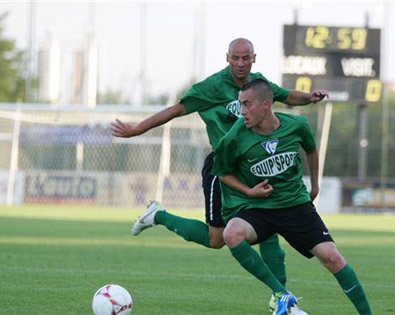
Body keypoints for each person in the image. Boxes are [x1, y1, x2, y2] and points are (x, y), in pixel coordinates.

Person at [111, 38, 328, 313]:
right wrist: (137, 129)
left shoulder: (259, 84)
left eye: (245, 58)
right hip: (222, 169)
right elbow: (176, 110)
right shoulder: (211, 87)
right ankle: (159, 215)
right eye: (235, 58)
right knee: (217, 240)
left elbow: (286, 95)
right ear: (227, 58)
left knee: (269, 229)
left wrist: (309, 98)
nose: (240, 63)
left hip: (253, 165)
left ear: (254, 59)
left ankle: (281, 297)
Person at [212, 78, 371, 315]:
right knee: (231, 233)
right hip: (259, 207)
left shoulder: (297, 125)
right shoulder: (234, 138)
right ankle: (281, 294)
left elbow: (312, 149)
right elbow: (222, 172)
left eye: (247, 104)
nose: (242, 111)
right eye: (240, 105)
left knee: (333, 259)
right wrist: (248, 191)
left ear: (266, 104)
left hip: (295, 205)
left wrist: (315, 185)